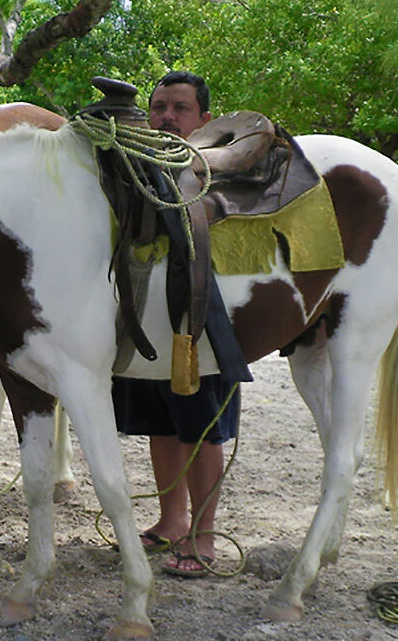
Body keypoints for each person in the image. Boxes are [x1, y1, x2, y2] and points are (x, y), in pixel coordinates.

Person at [110, 70, 241, 578]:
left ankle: (203, 537)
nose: (167, 116)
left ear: (205, 119)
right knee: (161, 426)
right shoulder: (134, 169)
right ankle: (171, 521)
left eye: (180, 107)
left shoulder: (216, 174)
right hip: (145, 320)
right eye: (159, 106)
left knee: (200, 430)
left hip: (200, 321)